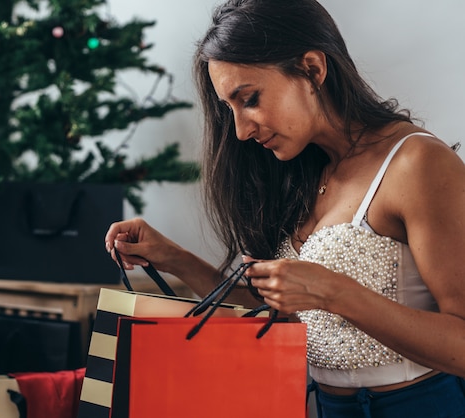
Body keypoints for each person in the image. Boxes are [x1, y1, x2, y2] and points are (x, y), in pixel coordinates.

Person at [104, 0, 465, 416]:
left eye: (250, 98)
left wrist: (334, 292)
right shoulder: (303, 172)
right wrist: (174, 258)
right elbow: (270, 312)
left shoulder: (416, 163)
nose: (240, 130)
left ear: (312, 69)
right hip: (323, 406)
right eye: (230, 109)